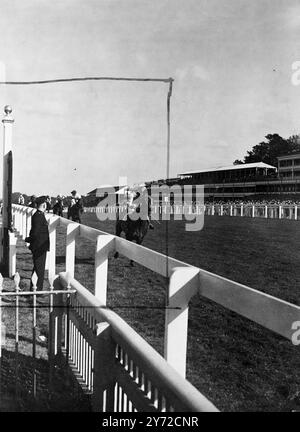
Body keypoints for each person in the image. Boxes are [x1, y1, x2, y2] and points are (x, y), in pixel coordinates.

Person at [25, 196, 50, 291]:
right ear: (44, 204)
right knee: (39, 270)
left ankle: (34, 288)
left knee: (37, 268)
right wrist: (29, 240)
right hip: (39, 247)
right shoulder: (38, 216)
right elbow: (35, 233)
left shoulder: (39, 215)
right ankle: (37, 290)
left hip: (40, 246)